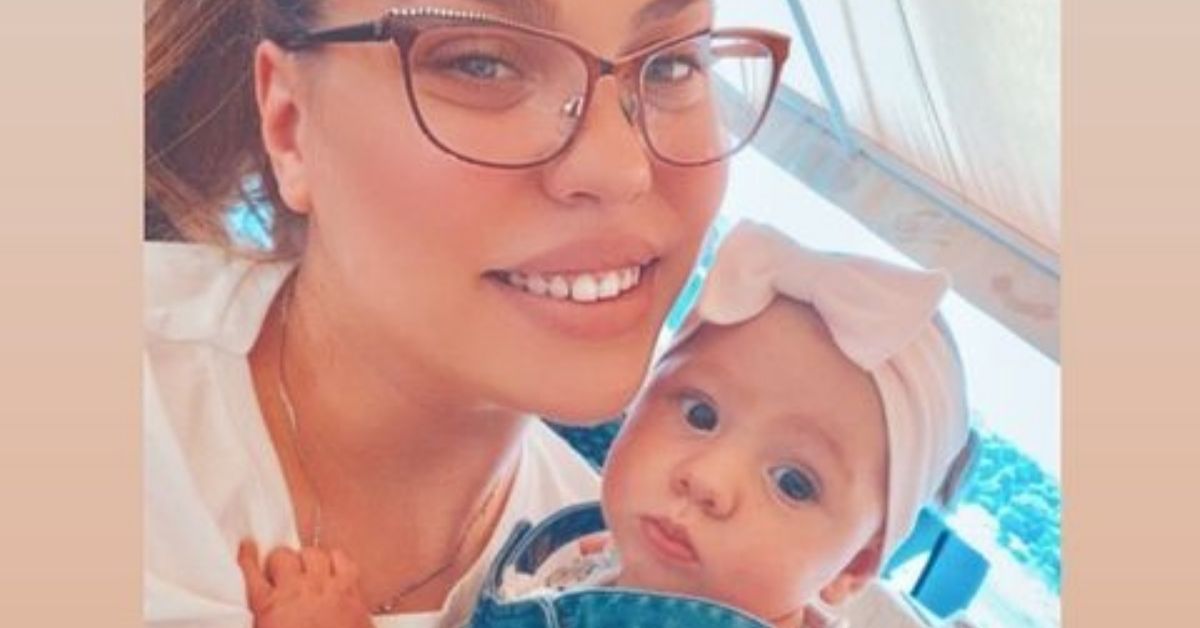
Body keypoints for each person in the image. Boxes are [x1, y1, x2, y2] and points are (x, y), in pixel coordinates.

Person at [143, 0, 789, 626]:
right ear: (290, 123)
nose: (621, 169)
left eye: (673, 64)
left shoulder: (629, 582)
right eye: (481, 64)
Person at [236, 221, 974, 627]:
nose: (708, 479)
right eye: (700, 412)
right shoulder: (598, 557)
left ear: (853, 568)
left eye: (793, 483)